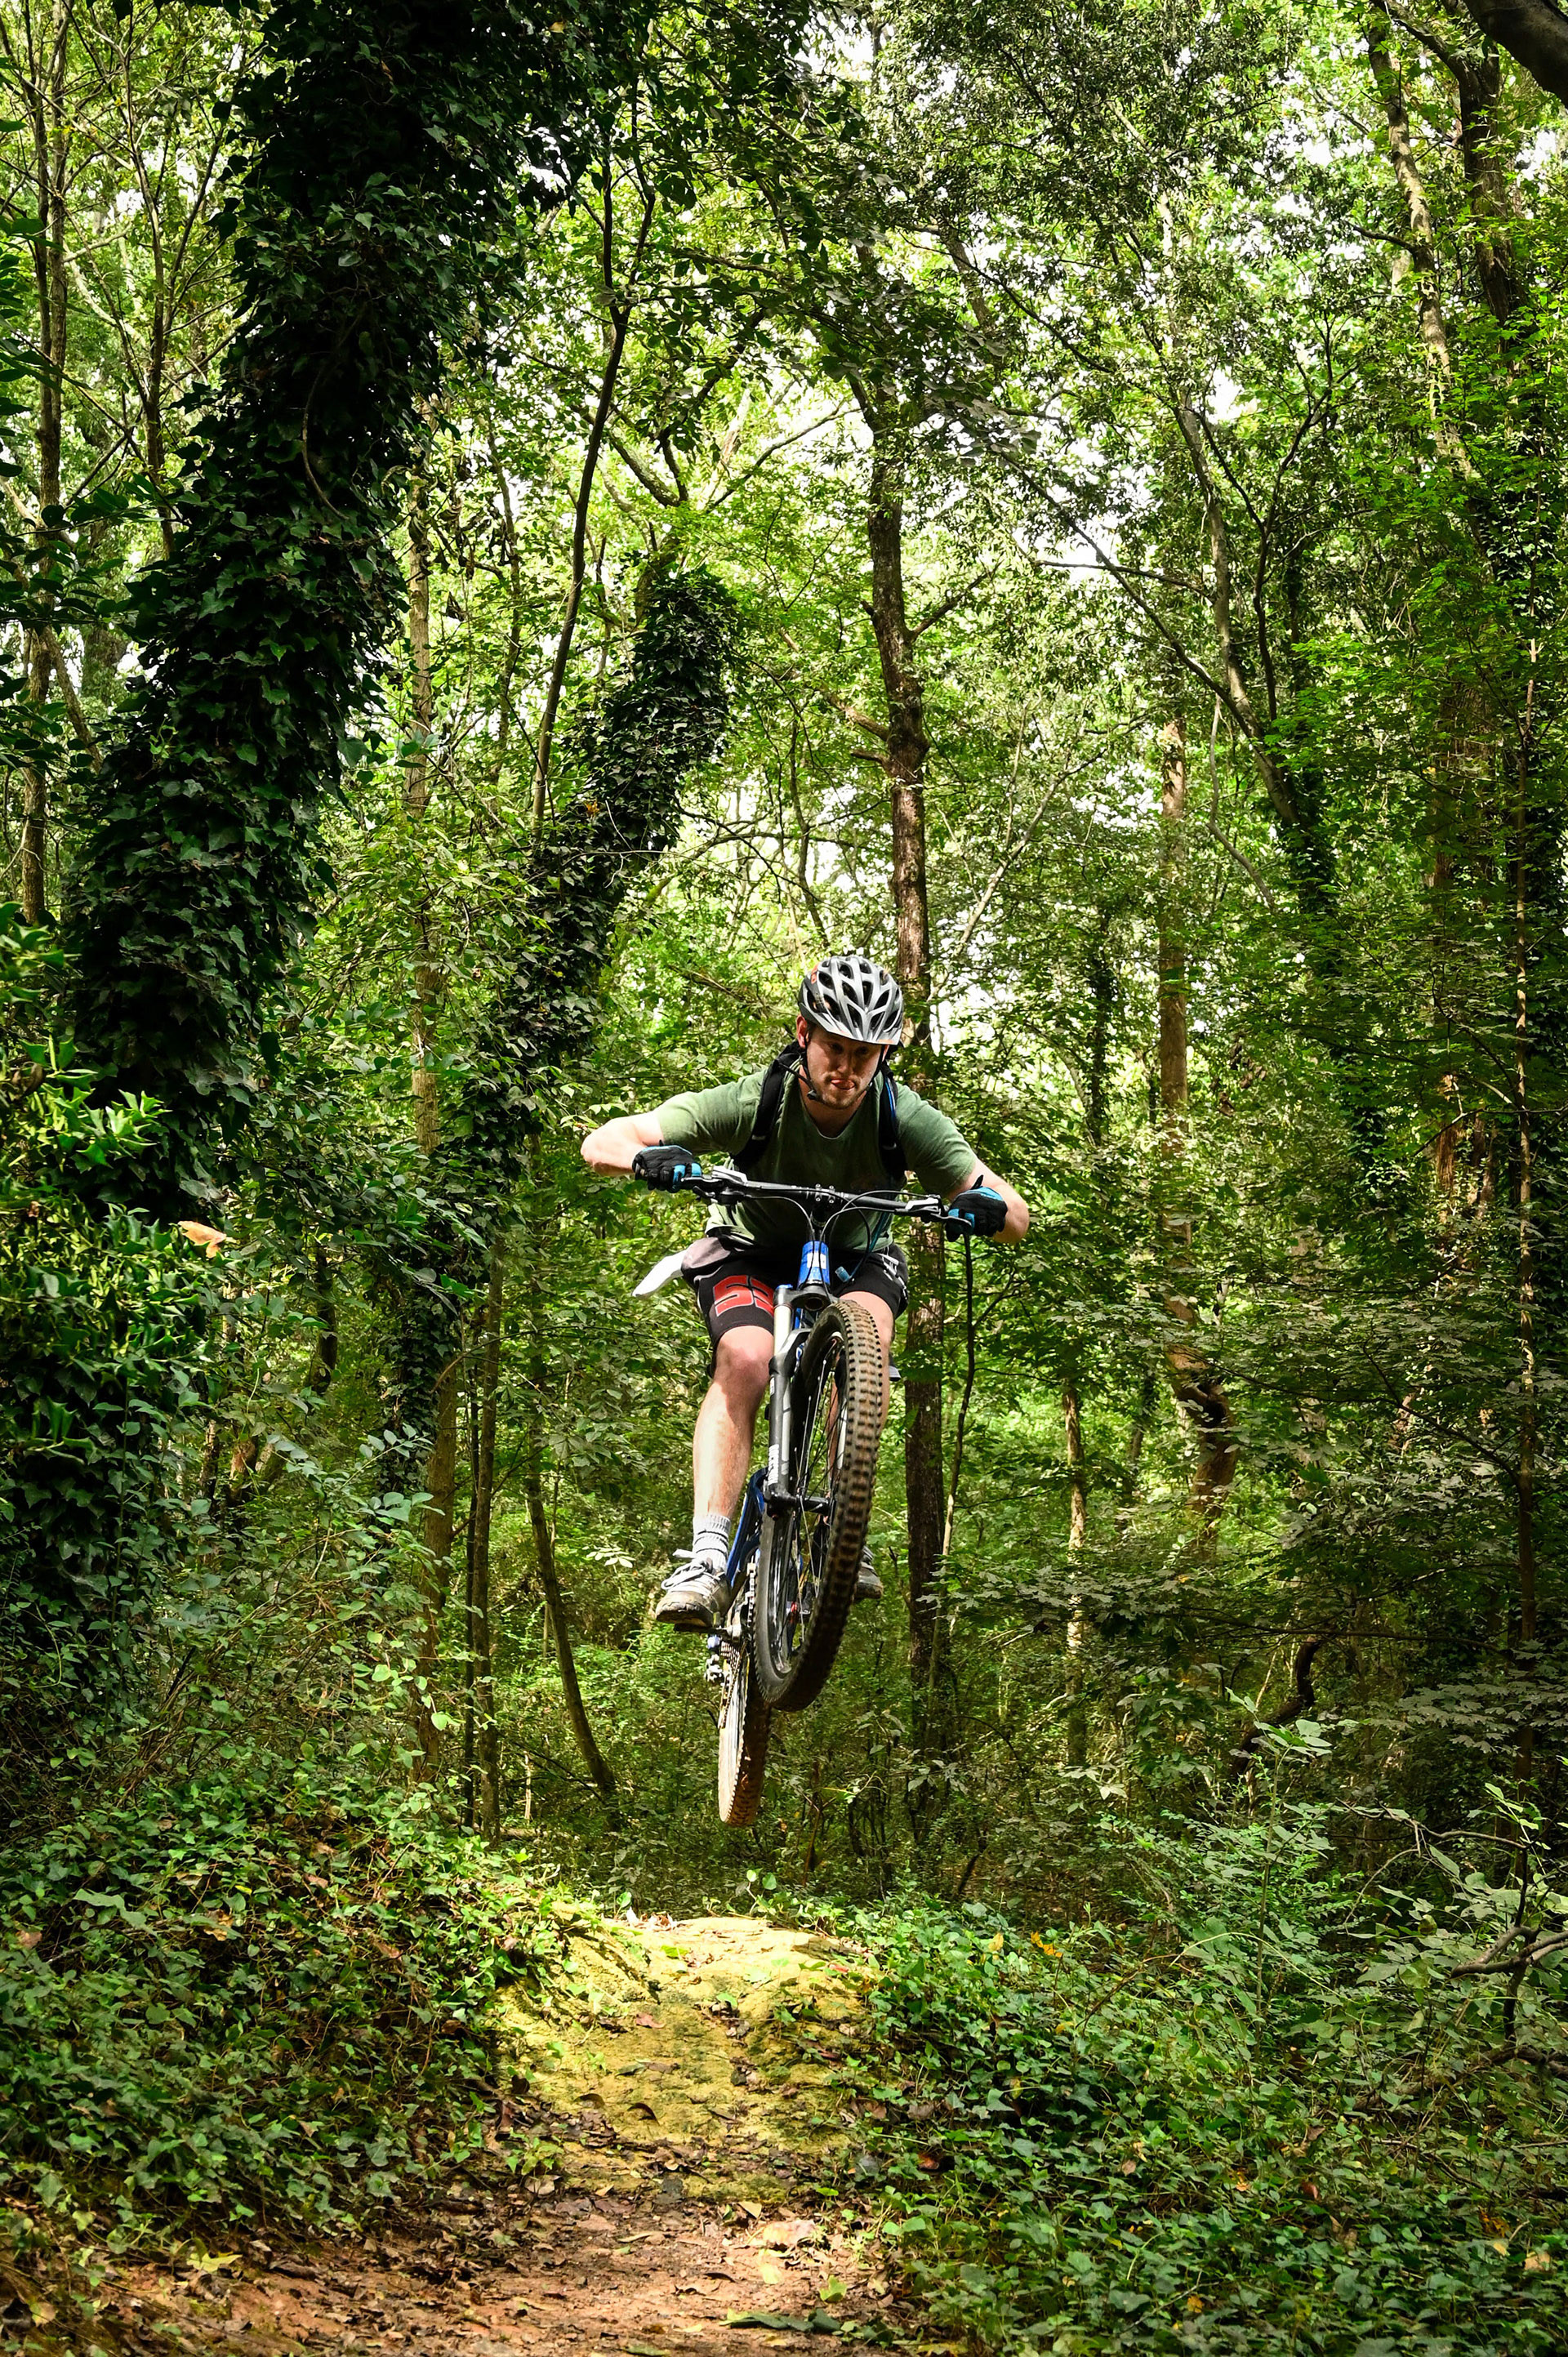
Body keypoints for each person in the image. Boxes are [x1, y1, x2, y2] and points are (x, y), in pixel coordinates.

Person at [581, 951, 1030, 1631]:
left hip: (858, 1257)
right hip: (750, 1252)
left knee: (865, 1338)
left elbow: (1013, 1210)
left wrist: (984, 1207)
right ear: (804, 1035)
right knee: (747, 1358)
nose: (847, 1070)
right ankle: (705, 1557)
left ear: (884, 1057)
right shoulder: (755, 1100)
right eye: (835, 1049)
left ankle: (841, 1526)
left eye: (866, 1055)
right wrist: (649, 1155)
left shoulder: (903, 1117)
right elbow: (606, 1138)